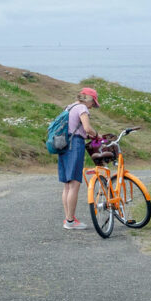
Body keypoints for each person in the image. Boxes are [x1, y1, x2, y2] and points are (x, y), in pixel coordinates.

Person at [58, 87, 100, 229]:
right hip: (74, 145)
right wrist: (97, 135)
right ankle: (71, 221)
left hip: (63, 144)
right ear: (88, 99)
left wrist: (86, 134)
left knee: (67, 185)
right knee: (75, 184)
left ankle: (69, 219)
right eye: (93, 103)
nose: (92, 106)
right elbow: (87, 128)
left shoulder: (68, 107)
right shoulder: (82, 108)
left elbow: (72, 128)